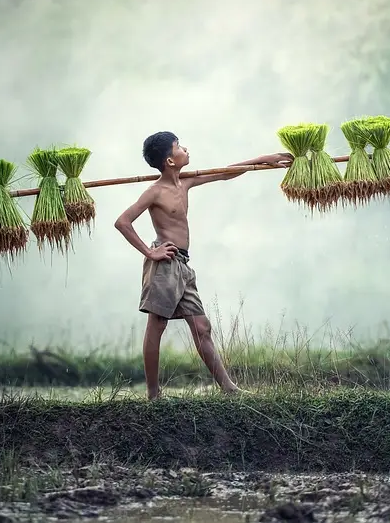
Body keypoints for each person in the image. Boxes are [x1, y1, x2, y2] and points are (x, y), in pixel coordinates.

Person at [114, 131, 293, 400]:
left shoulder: (184, 182)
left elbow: (225, 172)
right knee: (157, 324)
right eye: (178, 147)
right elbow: (123, 222)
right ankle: (153, 393)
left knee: (201, 327)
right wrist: (151, 253)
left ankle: (229, 388)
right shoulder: (154, 192)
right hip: (165, 264)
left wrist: (266, 159)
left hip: (183, 265)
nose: (185, 149)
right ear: (170, 161)